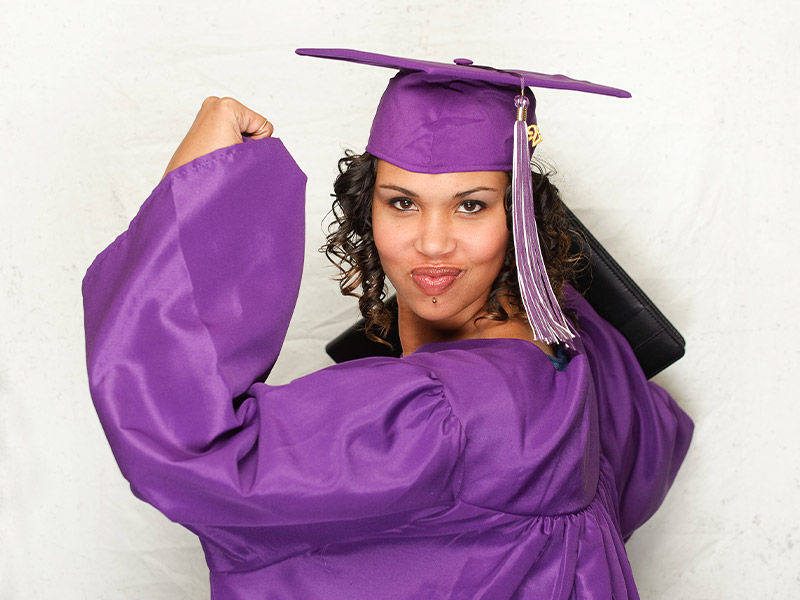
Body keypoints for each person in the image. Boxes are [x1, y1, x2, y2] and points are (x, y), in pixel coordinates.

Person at [83, 49, 693, 599]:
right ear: (364, 209)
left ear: (520, 218)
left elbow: (193, 448)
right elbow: (651, 439)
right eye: (402, 202)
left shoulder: (444, 413)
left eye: (472, 205)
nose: (432, 243)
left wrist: (201, 188)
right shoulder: (570, 342)